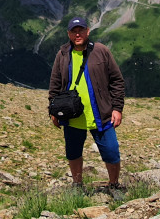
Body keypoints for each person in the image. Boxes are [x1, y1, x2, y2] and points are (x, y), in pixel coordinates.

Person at [48, 16, 125, 190]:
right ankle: (77, 185)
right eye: (74, 32)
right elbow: (55, 83)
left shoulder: (101, 51)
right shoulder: (62, 54)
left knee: (111, 152)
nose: (77, 34)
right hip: (72, 115)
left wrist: (117, 108)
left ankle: (114, 185)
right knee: (73, 153)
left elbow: (117, 81)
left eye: (81, 30)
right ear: (68, 34)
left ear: (88, 31)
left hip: (101, 114)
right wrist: (52, 110)